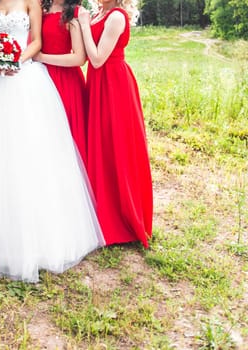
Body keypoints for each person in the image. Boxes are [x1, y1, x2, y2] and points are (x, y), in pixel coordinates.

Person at [0, 0, 105, 282]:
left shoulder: (31, 2)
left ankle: (38, 234)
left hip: (24, 78)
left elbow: (36, 41)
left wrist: (15, 59)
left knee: (32, 154)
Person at [78, 0, 153, 247]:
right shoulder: (100, 12)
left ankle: (122, 219)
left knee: (117, 146)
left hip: (114, 85)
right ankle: (101, 210)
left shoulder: (117, 16)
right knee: (101, 145)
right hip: (98, 84)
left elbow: (97, 59)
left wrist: (85, 27)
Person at [34, 0, 87, 164]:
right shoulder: (40, 7)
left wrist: (42, 58)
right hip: (38, 78)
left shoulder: (73, 13)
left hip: (65, 81)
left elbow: (79, 57)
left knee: (64, 134)